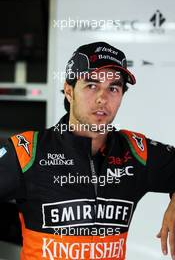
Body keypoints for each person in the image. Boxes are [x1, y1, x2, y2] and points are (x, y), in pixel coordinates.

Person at [0, 41, 175, 260]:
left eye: (113, 88)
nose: (102, 98)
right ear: (69, 91)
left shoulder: (135, 152)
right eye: (92, 85)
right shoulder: (27, 151)